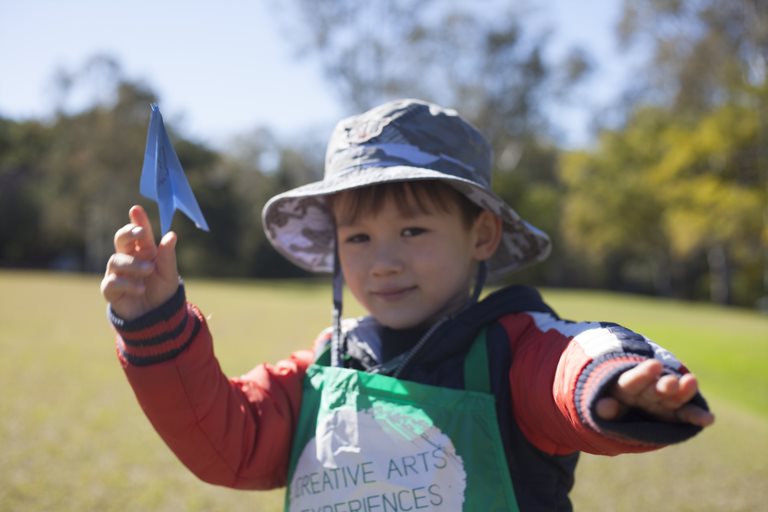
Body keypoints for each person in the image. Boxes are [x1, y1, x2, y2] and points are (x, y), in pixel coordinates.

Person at [101, 99, 714, 511]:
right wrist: (156, 322)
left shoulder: (513, 344)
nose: (383, 261)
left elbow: (572, 358)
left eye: (413, 232)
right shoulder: (325, 365)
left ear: (481, 236)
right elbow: (229, 440)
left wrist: (611, 384)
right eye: (359, 238)